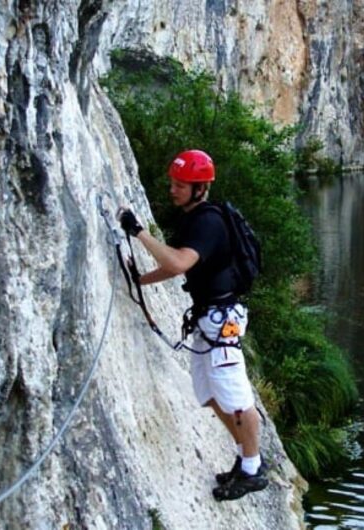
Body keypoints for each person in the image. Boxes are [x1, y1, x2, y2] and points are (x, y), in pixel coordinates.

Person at [118, 149, 268, 501]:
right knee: (211, 394)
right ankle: (245, 460)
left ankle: (252, 469)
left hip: (221, 321)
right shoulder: (198, 218)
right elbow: (175, 267)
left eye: (180, 185)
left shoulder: (207, 222)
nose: (173, 190)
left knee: (236, 398)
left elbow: (179, 263)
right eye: (172, 183)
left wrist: (138, 232)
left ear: (199, 188)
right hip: (210, 319)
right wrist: (140, 281)